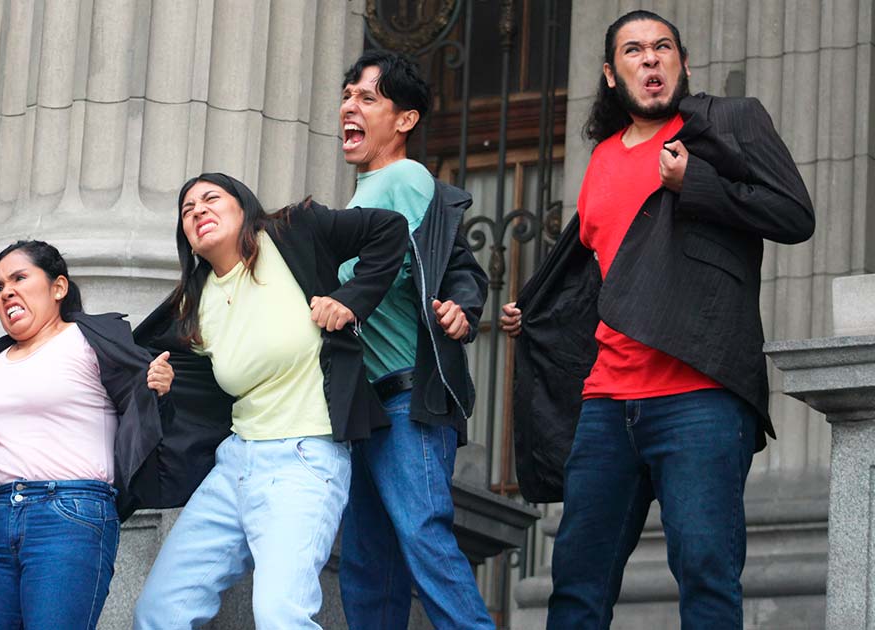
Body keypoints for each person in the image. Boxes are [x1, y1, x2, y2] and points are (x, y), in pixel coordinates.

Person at [500, 10, 815, 629]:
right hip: (605, 403)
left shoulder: (724, 124)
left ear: (683, 63)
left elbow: (793, 214)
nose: (650, 58)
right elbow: (601, 277)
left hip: (699, 394)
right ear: (611, 74)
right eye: (634, 50)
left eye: (663, 46)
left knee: (706, 576)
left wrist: (695, 181)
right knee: (577, 585)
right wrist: (537, 316)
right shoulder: (601, 160)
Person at [130, 173, 408, 629]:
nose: (198, 211)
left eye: (210, 198)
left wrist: (350, 301)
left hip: (304, 458)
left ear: (243, 206)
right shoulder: (193, 304)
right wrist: (161, 385)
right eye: (187, 210)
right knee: (160, 612)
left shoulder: (293, 233)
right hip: (234, 464)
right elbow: (181, 393)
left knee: (281, 615)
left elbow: (390, 228)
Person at [334, 50, 495, 629]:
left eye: (367, 98)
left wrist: (461, 310)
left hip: (407, 399)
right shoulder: (360, 197)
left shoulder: (402, 179)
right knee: (368, 564)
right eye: (347, 96)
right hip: (366, 405)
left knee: (421, 538)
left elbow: (422, 265)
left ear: (405, 120)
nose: (349, 107)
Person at [0, 240, 174, 630]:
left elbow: (144, 413)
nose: (6, 292)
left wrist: (159, 391)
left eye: (19, 278)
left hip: (69, 514)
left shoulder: (89, 342)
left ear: (58, 287)